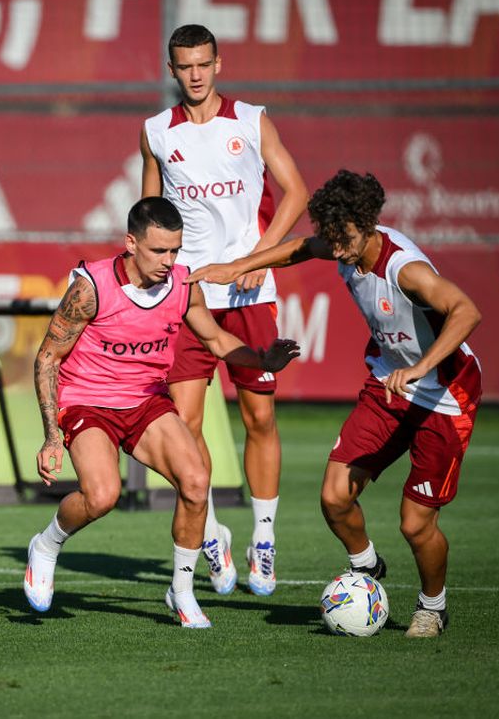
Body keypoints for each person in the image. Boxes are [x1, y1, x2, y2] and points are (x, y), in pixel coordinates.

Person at [192, 170, 482, 637]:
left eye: (343, 236)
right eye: (332, 236)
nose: (336, 247)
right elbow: (301, 249)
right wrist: (240, 266)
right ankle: (366, 568)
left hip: (445, 397)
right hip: (388, 384)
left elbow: (467, 310)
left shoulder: (404, 268)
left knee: (415, 524)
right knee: (333, 496)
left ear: (366, 223)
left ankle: (432, 606)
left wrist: (421, 366)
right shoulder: (341, 245)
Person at [24, 197, 299, 627]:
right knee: (102, 497)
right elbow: (46, 358)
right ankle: (46, 545)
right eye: (158, 251)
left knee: (195, 480)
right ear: (131, 243)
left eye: (175, 250)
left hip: (147, 400)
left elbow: (216, 341)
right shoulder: (90, 286)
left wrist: (262, 360)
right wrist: (51, 436)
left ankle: (182, 591)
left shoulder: (184, 285)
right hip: (89, 402)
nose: (168, 261)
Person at [140, 24, 309, 597]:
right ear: (172, 69)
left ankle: (264, 539)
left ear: (219, 63)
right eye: (185, 65)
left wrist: (262, 256)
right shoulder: (156, 133)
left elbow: (298, 193)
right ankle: (212, 533)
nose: (195, 74)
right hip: (188, 298)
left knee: (259, 418)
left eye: (204, 64)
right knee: (184, 427)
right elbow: (149, 213)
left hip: (248, 295)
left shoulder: (252, 120)